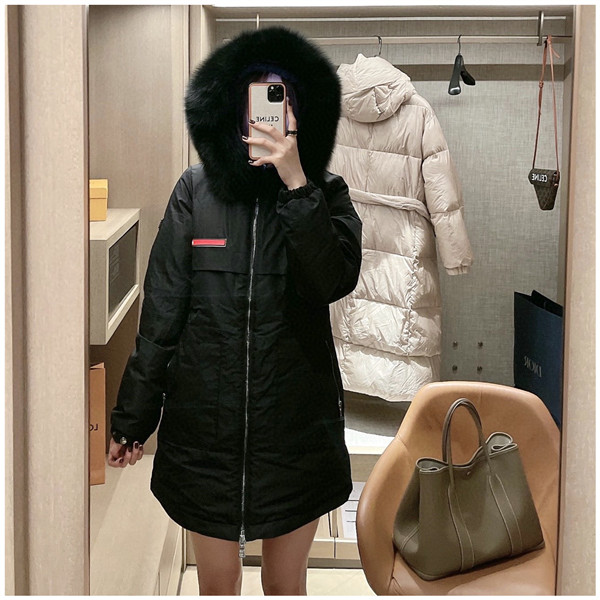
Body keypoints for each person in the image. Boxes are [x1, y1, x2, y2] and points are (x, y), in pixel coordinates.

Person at [108, 27, 362, 595]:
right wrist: (132, 418)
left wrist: (296, 184)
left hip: (296, 430)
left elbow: (332, 280)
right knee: (217, 585)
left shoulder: (326, 193)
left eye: (282, 99)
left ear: (300, 114)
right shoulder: (195, 192)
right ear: (234, 111)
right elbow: (162, 313)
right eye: (258, 99)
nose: (269, 114)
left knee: (285, 585)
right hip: (205, 433)